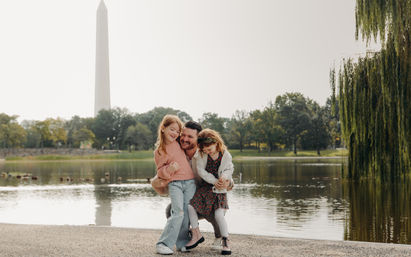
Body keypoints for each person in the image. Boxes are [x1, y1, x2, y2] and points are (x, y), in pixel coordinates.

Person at [165, 121, 233, 251]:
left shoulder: (205, 154)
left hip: (208, 193)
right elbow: (164, 181)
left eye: (190, 137)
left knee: (214, 210)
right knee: (171, 209)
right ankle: (189, 234)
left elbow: (225, 171)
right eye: (183, 135)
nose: (184, 139)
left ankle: (220, 237)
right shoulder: (176, 153)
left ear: (198, 139)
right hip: (191, 197)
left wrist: (227, 182)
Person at [185, 128, 233, 255]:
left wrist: (224, 178)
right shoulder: (201, 154)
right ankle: (196, 233)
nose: (207, 152)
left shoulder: (225, 154)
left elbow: (229, 169)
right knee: (191, 207)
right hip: (206, 188)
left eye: (209, 149)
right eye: (204, 150)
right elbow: (201, 171)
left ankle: (225, 240)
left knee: (218, 215)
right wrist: (213, 181)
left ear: (216, 142)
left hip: (219, 190)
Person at [153, 115, 196, 255]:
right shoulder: (160, 151)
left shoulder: (178, 143)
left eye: (177, 132)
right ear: (163, 128)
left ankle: (182, 242)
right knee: (178, 212)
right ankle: (163, 243)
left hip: (190, 182)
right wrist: (169, 170)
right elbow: (160, 172)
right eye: (172, 129)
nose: (175, 133)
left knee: (186, 214)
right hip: (175, 183)